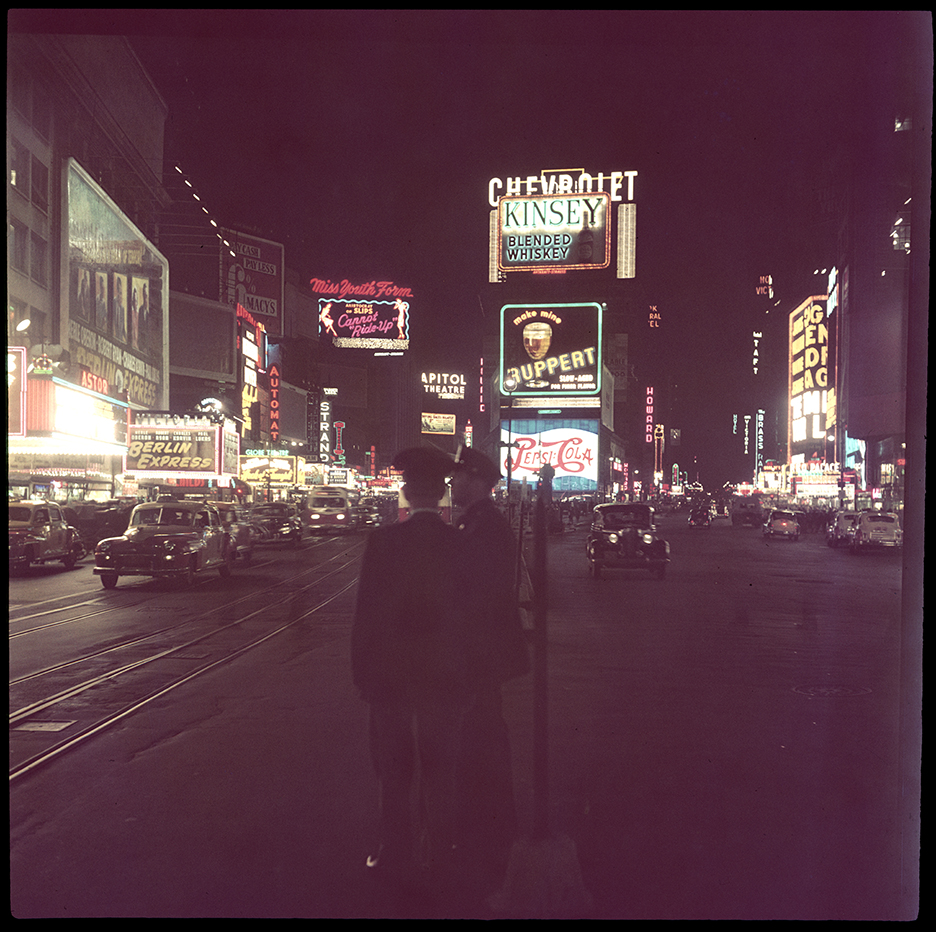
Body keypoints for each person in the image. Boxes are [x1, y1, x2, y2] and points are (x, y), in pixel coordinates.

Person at [351, 446, 470, 887]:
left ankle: (392, 848)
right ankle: (439, 849)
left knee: (393, 765)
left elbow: (367, 615)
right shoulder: (459, 543)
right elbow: (469, 614)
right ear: (441, 494)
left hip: (392, 674)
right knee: (442, 765)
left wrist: (363, 673)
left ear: (405, 491)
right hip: (444, 674)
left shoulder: (383, 542)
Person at [449, 445, 530, 877]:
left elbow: (477, 597)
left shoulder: (485, 527)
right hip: (481, 655)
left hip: (479, 655)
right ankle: (488, 830)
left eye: (459, 476)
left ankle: (491, 840)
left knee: (481, 742)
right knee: (480, 741)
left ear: (478, 480)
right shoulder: (477, 523)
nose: (453, 482)